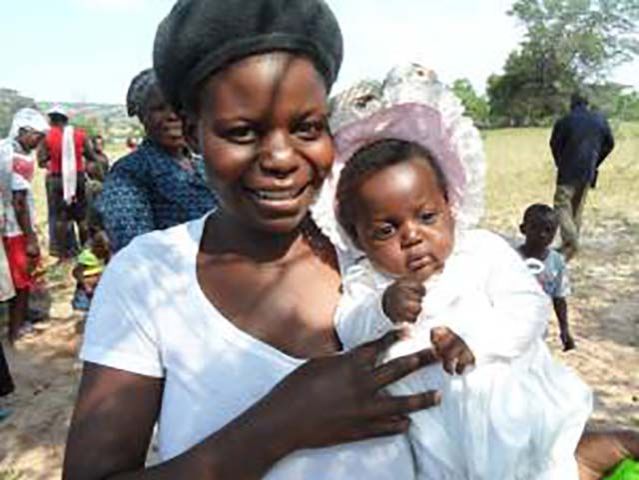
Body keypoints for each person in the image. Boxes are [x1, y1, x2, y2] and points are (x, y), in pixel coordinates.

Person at [63, 1, 638, 479]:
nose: (282, 158)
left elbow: (485, 402)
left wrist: (572, 452)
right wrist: (277, 426)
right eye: (242, 132)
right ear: (192, 132)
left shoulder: (384, 245)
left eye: (308, 128)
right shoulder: (149, 279)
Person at [325, 65, 591, 479]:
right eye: (386, 229)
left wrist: (476, 343)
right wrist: (383, 308)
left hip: (508, 405)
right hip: (434, 428)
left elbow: (529, 308)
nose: (412, 236)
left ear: (449, 206)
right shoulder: (369, 280)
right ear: (357, 239)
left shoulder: (481, 250)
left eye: (426, 216)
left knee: (544, 465)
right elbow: (349, 327)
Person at [96, 68, 217, 252]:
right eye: (159, 108)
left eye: (179, 107)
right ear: (142, 116)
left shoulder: (204, 164)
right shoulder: (130, 173)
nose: (172, 116)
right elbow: (134, 251)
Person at [0, 108, 49, 343]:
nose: (39, 142)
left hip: (8, 225)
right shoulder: (12, 159)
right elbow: (19, 203)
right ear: (23, 131)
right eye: (37, 137)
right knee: (21, 283)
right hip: (16, 230)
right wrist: (31, 239)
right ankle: (15, 331)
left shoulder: (4, 150)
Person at [550, 93, 614, 261]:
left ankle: (572, 241)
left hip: (567, 170)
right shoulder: (600, 120)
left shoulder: (564, 121)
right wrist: (596, 161)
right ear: (587, 103)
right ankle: (569, 245)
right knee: (576, 207)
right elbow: (610, 144)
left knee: (561, 206)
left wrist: (560, 161)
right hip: (588, 170)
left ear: (572, 103)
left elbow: (554, 144)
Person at [38, 105, 98, 258]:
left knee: (60, 218)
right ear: (66, 119)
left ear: (52, 119)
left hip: (57, 180)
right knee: (82, 217)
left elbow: (41, 161)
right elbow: (92, 157)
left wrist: (53, 162)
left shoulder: (47, 137)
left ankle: (64, 254)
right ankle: (86, 251)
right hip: (77, 178)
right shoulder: (80, 135)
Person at [518, 203, 575, 351]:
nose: (542, 234)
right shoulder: (512, 259)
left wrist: (564, 330)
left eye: (548, 230)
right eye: (535, 228)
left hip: (538, 330)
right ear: (523, 229)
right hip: (512, 325)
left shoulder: (556, 262)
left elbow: (559, 297)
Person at [71, 230, 110, 313]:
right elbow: (76, 272)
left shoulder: (106, 255)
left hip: (99, 285)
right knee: (85, 307)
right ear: (95, 247)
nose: (105, 250)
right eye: (102, 248)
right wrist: (86, 285)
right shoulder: (87, 256)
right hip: (86, 286)